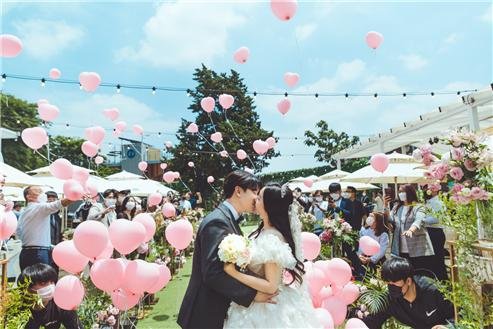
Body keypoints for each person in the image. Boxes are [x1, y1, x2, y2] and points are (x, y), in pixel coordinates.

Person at [178, 170, 272, 329]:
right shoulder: (218, 221)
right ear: (238, 191)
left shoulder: (226, 218)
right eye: (254, 192)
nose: (257, 198)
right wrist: (253, 295)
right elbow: (213, 273)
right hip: (205, 313)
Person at [223, 183, 322, 328]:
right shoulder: (263, 231)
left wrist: (233, 273)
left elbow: (271, 286)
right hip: (256, 301)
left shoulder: (272, 239)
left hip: (269, 308)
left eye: (260, 197)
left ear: (269, 206)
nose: (255, 198)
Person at [362, 257, 454, 329]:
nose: (391, 286)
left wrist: (448, 327)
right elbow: (373, 321)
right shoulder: (390, 300)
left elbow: (458, 315)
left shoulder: (433, 291)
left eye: (395, 282)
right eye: (388, 283)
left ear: (409, 281)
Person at [17, 186, 77, 271]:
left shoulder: (23, 212)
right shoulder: (39, 208)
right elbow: (60, 203)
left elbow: (19, 232)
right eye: (38, 191)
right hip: (39, 253)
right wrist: (76, 194)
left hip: (25, 252)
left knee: (27, 282)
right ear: (28, 196)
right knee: (42, 281)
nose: (42, 194)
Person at [384, 184, 435, 276]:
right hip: (400, 249)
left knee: (419, 275)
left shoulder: (418, 207)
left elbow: (419, 220)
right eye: (399, 192)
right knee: (405, 275)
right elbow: (390, 220)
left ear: (410, 193)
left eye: (403, 192)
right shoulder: (397, 208)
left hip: (418, 249)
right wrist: (385, 206)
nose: (401, 194)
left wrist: (411, 230)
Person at [19, 263, 82, 329]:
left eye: (52, 282)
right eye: (43, 283)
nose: (50, 286)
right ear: (27, 288)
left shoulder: (60, 305)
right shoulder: (18, 308)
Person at [327, 183, 363, 280]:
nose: (333, 194)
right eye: (331, 193)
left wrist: (337, 208)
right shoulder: (330, 203)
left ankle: (359, 273)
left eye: (335, 192)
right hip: (334, 231)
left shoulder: (347, 201)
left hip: (346, 231)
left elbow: (350, 214)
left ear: (339, 191)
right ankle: (338, 275)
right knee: (336, 254)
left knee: (350, 253)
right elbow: (329, 215)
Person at [422, 187, 448, 281]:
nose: (426, 191)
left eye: (429, 189)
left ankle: (443, 282)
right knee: (432, 260)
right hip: (429, 232)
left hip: (435, 232)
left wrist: (421, 220)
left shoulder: (437, 203)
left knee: (437, 259)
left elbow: (435, 219)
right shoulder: (429, 202)